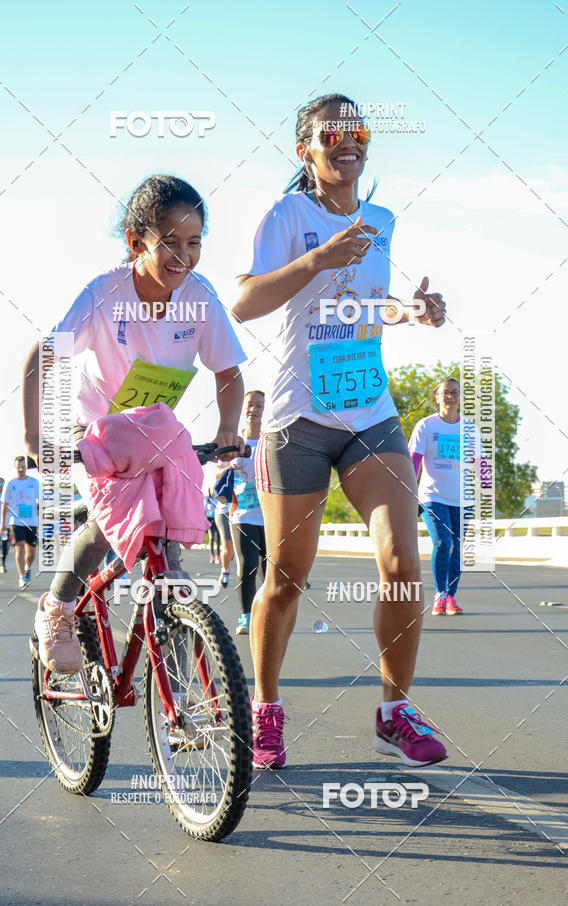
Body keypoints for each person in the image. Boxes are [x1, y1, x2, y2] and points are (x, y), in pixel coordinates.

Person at [232, 93, 448, 770]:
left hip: (370, 414)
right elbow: (243, 300)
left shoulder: (380, 219)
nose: (347, 142)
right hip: (300, 418)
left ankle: (394, 710)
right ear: (307, 151)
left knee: (402, 563)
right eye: (332, 135)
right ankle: (266, 709)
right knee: (287, 576)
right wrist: (315, 259)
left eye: (357, 131)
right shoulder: (287, 215)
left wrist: (410, 311)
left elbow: (364, 303)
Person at [22, 174, 245, 675]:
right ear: (135, 241)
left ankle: (182, 695)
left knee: (166, 550)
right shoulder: (105, 292)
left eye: (194, 243)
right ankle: (56, 609)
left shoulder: (201, 295)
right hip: (94, 433)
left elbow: (228, 371)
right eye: (169, 242)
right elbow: (45, 352)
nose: (183, 257)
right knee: (107, 526)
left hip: (152, 435)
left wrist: (230, 427)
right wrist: (35, 437)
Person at [408, 378, 478, 616]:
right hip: (432, 496)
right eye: (446, 392)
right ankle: (440, 594)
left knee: (457, 548)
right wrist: (407, 491)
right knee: (443, 542)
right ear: (436, 397)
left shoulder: (469, 428)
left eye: (455, 392)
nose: (451, 396)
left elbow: (480, 463)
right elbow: (414, 461)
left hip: (462, 498)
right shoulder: (426, 426)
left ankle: (450, 597)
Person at [229, 390, 267, 635]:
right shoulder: (233, 442)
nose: (254, 409)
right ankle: (246, 616)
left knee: (271, 568)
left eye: (259, 406)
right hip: (242, 513)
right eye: (250, 405)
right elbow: (215, 478)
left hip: (270, 515)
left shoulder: (270, 441)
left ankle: (269, 614)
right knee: (248, 564)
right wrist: (226, 469)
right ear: (242, 410)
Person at [0, 456, 39, 588]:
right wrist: (2, 524)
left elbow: (43, 501)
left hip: (32, 521)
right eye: (19, 466)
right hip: (16, 521)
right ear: (15, 467)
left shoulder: (34, 482)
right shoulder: (10, 484)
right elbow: (5, 504)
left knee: (31, 552)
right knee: (20, 547)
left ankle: (27, 569)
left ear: (26, 467)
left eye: (23, 466)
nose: (21, 469)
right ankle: (22, 577)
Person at [213, 473, 234, 587]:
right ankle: (225, 571)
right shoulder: (226, 464)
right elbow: (214, 491)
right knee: (228, 547)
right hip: (224, 512)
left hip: (242, 512)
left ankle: (244, 575)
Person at [204, 488, 221, 564]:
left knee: (218, 538)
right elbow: (204, 511)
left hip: (217, 519)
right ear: (209, 491)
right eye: (211, 490)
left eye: (214, 490)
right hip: (210, 519)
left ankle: (218, 556)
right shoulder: (207, 500)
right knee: (212, 537)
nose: (213, 492)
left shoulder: (218, 499)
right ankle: (212, 556)